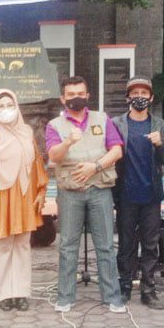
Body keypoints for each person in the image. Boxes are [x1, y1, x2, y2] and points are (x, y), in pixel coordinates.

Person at [45, 76, 125, 313]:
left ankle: (112, 297)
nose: (76, 98)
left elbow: (117, 150)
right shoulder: (54, 125)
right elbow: (54, 156)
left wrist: (95, 167)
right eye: (71, 94)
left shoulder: (102, 119)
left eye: (80, 93)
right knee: (68, 246)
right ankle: (65, 297)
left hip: (100, 189)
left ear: (88, 95)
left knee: (105, 245)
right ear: (63, 98)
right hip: (70, 193)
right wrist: (68, 142)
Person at [0, 89, 49, 311]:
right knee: (4, 245)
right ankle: (4, 294)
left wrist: (41, 191)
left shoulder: (26, 132)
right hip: (1, 195)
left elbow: (37, 163)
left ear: (17, 107)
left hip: (25, 194)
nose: (6, 110)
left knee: (23, 245)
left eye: (10, 105)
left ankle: (21, 293)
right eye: (0, 106)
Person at [111, 78, 164, 309]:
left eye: (144, 93)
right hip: (125, 194)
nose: (139, 97)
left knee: (150, 245)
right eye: (135, 93)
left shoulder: (158, 124)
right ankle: (124, 286)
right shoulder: (117, 123)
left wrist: (160, 144)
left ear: (151, 98)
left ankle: (148, 289)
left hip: (151, 195)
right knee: (125, 244)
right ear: (128, 97)